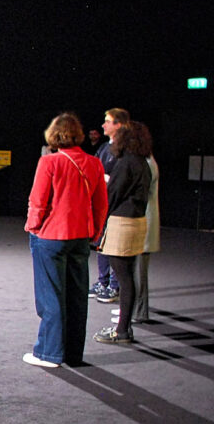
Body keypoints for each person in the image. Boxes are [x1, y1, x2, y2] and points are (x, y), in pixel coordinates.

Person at [23, 113, 107, 368]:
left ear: (54, 135)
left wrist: (32, 226)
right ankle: (72, 353)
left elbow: (38, 200)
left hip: (51, 236)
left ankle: (48, 353)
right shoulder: (94, 163)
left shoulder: (49, 162)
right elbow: (100, 204)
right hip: (80, 237)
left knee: (50, 296)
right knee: (77, 297)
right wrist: (95, 232)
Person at [93, 122, 153, 345]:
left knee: (124, 277)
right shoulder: (142, 162)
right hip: (137, 222)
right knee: (127, 277)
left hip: (122, 223)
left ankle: (121, 331)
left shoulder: (126, 162)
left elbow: (112, 195)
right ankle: (124, 328)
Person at [90, 108, 130, 304]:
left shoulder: (127, 149)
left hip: (118, 206)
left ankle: (115, 285)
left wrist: (107, 179)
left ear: (118, 125)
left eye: (108, 121)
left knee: (115, 246)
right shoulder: (105, 148)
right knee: (101, 243)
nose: (103, 125)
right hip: (103, 204)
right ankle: (102, 282)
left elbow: (125, 178)